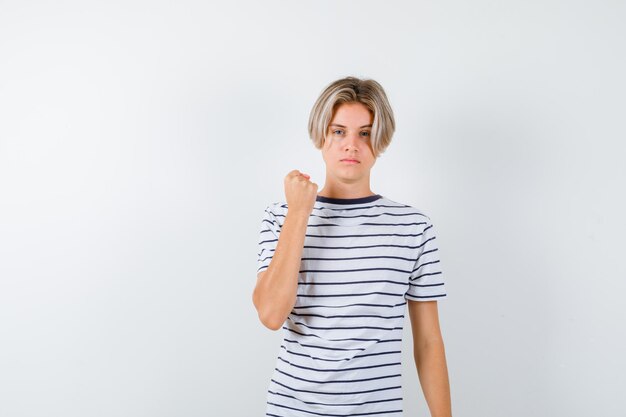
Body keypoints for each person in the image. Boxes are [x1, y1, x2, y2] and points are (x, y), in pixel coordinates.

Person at [252, 76, 452, 417]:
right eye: (339, 131)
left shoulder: (413, 228)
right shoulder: (281, 216)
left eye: (365, 133)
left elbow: (429, 342)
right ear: (321, 136)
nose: (351, 145)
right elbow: (271, 314)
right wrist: (300, 212)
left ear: (381, 139)